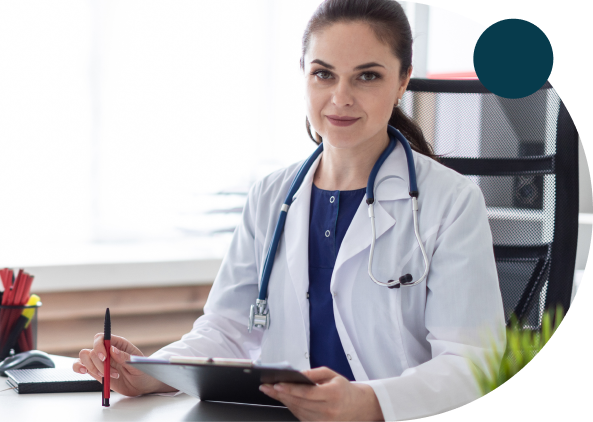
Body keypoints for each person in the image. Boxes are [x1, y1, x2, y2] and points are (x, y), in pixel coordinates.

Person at [73, 1, 506, 421]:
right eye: (324, 74)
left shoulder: (450, 202)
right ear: (304, 74)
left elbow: (473, 362)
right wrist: (155, 374)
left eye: (367, 76)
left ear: (402, 81)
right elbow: (226, 330)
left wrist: (370, 403)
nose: (340, 97)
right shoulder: (270, 196)